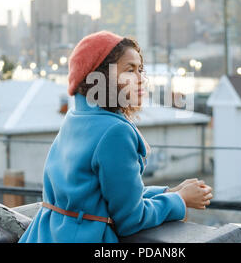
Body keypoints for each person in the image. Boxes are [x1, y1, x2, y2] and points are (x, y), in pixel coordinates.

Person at [18, 31, 213, 243]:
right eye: (130, 70)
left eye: (140, 69)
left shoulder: (75, 117)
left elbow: (106, 194)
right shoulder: (115, 132)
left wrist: (168, 191)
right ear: (102, 77)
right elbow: (131, 218)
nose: (141, 79)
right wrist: (180, 200)